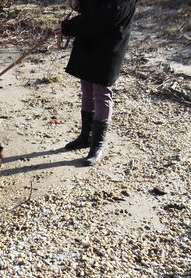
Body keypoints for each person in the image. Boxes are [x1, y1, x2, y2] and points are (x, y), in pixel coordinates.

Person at [54, 0, 137, 166]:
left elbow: (106, 16)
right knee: (87, 88)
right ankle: (85, 137)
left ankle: (97, 145)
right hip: (89, 41)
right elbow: (95, 7)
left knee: (101, 92)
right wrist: (79, 4)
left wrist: (68, 27)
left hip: (109, 45)